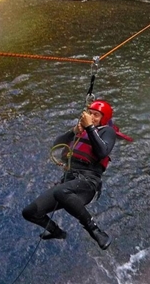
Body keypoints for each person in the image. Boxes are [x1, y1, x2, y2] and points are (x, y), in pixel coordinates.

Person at [21, 100, 119, 250]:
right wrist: (74, 131)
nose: (92, 117)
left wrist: (90, 127)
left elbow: (102, 152)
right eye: (90, 114)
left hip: (87, 183)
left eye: (96, 115)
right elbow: (56, 144)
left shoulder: (106, 132)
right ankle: (57, 232)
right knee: (30, 212)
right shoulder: (81, 131)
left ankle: (95, 230)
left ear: (104, 119)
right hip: (69, 181)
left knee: (61, 191)